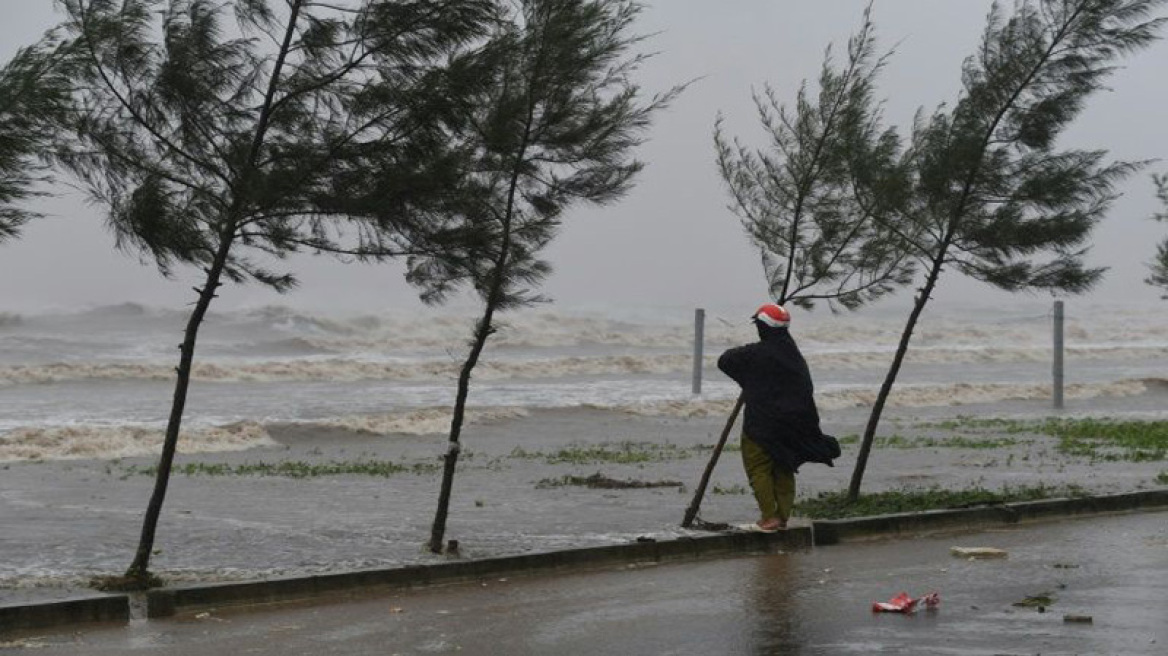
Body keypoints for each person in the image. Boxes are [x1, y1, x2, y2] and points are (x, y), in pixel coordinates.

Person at [717, 303, 840, 532]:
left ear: (763, 327)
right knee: (784, 466)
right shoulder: (794, 355)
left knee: (758, 468)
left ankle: (769, 517)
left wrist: (747, 377)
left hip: (762, 423)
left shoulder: (756, 354)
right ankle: (782, 517)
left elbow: (725, 360)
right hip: (794, 424)